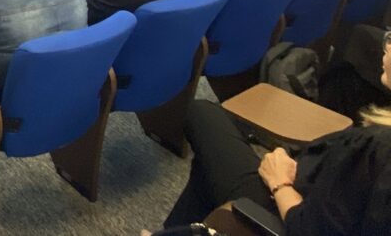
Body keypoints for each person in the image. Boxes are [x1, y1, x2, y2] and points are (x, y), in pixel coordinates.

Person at [163, 34, 391, 234]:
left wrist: (280, 183)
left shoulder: (377, 147)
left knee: (202, 113)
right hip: (309, 193)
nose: (387, 45)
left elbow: (310, 229)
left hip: (279, 213)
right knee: (211, 162)